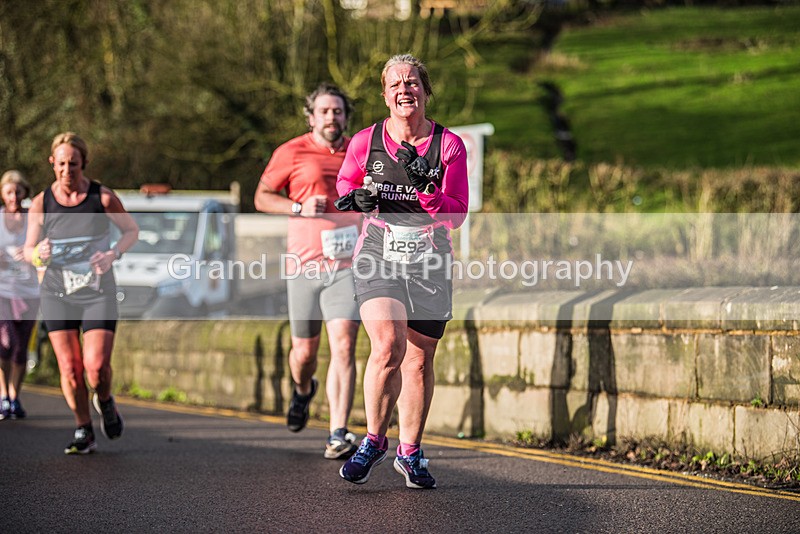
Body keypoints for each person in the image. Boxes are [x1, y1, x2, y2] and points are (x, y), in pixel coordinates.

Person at [335, 54, 469, 489]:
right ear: (385, 95)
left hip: (430, 257)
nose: (403, 90)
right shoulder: (366, 140)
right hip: (378, 252)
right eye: (395, 84)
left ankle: (410, 452)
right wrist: (355, 199)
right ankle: (374, 440)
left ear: (426, 92)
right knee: (389, 345)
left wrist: (428, 189)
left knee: (419, 359)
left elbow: (457, 215)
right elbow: (345, 183)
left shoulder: (449, 146)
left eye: (411, 82)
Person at [254, 83, 363, 459]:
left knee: (344, 345)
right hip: (303, 266)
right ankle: (303, 390)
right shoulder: (291, 151)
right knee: (303, 353)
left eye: (338, 111)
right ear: (311, 117)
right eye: (324, 111)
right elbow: (261, 197)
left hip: (347, 265)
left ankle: (337, 433)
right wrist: (298, 207)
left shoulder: (360, 151)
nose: (332, 117)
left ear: (346, 117)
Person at [24, 132, 139, 454]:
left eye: (73, 164)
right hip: (57, 294)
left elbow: (131, 230)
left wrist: (113, 254)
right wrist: (39, 254)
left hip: (97, 293)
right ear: (52, 163)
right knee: (71, 370)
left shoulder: (102, 198)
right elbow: (29, 250)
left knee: (96, 368)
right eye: (61, 164)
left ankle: (105, 399)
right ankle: (83, 428)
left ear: (84, 163)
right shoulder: (41, 203)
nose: (67, 171)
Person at [0, 170, 40, 420]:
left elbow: (44, 251)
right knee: (6, 343)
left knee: (21, 349)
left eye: (18, 191)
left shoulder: (33, 220)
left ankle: (14, 397)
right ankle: (3, 394)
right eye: (9, 192)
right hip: (2, 291)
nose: (14, 196)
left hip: (29, 292)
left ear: (25, 192)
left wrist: (32, 256)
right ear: (2, 194)